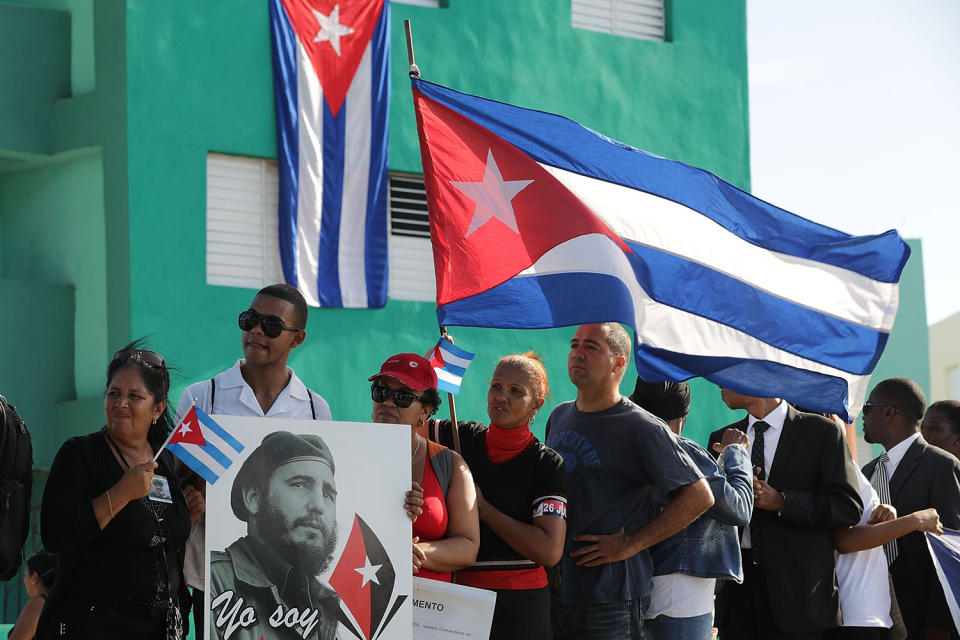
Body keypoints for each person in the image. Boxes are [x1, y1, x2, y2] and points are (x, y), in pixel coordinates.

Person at [176, 283, 332, 633]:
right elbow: (178, 480)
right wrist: (191, 497)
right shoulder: (203, 397)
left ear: (298, 338)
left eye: (271, 325)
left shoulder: (314, 408)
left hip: (291, 583)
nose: (256, 331)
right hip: (214, 579)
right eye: (249, 320)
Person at [544, 323, 714, 640]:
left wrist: (631, 544)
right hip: (557, 591)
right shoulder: (559, 416)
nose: (577, 353)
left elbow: (699, 496)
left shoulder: (641, 427)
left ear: (619, 362)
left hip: (611, 598)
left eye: (591, 347)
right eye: (574, 344)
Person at [38, 343, 202, 639]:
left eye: (134, 396)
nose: (121, 403)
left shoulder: (164, 460)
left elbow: (153, 539)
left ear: (158, 408)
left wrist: (184, 518)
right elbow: (56, 536)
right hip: (91, 627)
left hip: (157, 628)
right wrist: (120, 493)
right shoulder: (81, 454)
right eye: (114, 393)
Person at [425, 352, 566, 640]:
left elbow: (549, 550)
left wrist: (485, 510)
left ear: (536, 404)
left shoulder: (546, 463)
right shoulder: (459, 436)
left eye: (516, 391)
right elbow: (404, 425)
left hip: (520, 608)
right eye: (496, 387)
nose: (501, 396)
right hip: (457, 601)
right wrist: (427, 373)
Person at [706, 388, 863, 640]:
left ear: (757, 376)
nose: (719, 384)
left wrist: (783, 502)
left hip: (800, 598)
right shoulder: (723, 438)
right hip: (737, 595)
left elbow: (847, 507)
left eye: (729, 373)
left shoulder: (822, 432)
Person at [629, 379, 753, 640]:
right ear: (683, 416)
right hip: (682, 595)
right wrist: (735, 454)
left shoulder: (627, 447)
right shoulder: (683, 451)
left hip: (635, 585)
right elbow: (739, 506)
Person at [209, 431, 341, 640]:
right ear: (254, 498)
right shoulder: (214, 580)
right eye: (300, 485)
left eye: (328, 494)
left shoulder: (322, 600)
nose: (319, 505)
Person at [861, 378, 960, 640]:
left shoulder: (940, 465)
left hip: (922, 617)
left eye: (867, 408)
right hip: (874, 611)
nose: (863, 416)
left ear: (889, 413)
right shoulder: (867, 472)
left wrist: (940, 622)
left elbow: (950, 551)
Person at [368, 353, 479, 582]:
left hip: (429, 609)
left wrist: (412, 553)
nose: (388, 402)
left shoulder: (449, 465)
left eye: (403, 397)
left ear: (425, 412)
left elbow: (468, 547)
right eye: (381, 392)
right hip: (362, 598)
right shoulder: (346, 453)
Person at [8, 550, 56, 640]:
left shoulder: (38, 603)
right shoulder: (59, 601)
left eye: (25, 575)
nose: (24, 580)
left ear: (34, 577)